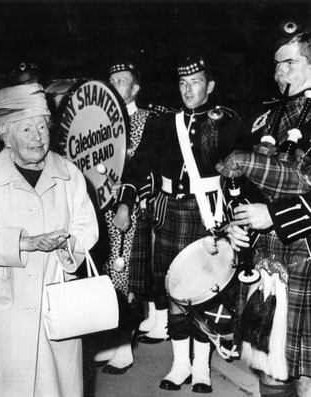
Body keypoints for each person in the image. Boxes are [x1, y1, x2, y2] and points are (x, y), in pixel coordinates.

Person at [114, 56, 249, 393]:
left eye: (196, 83)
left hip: (207, 214)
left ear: (210, 86)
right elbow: (139, 164)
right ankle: (180, 364)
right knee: (174, 290)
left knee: (202, 292)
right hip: (167, 210)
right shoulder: (164, 123)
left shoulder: (227, 123)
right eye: (183, 84)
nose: (189, 90)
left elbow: (242, 174)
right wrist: (126, 202)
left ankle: (202, 368)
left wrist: (236, 216)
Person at [0, 82, 99, 396]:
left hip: (56, 301)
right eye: (26, 130)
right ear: (6, 136)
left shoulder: (69, 174)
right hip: (3, 305)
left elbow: (87, 227)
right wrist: (24, 243)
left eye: (41, 127)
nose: (38, 136)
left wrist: (66, 244)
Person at [223, 29, 311, 397]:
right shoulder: (263, 116)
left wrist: (274, 216)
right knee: (271, 368)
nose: (280, 72)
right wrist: (235, 221)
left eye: (290, 62)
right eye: (277, 64)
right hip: (264, 257)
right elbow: (236, 180)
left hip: (306, 251)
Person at [93, 61, 154, 374]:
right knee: (107, 272)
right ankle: (113, 339)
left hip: (132, 207)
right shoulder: (98, 122)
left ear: (136, 88)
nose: (115, 84)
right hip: (104, 207)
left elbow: (143, 169)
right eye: (112, 78)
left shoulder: (146, 120)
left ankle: (123, 349)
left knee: (126, 274)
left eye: (123, 80)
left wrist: (126, 201)